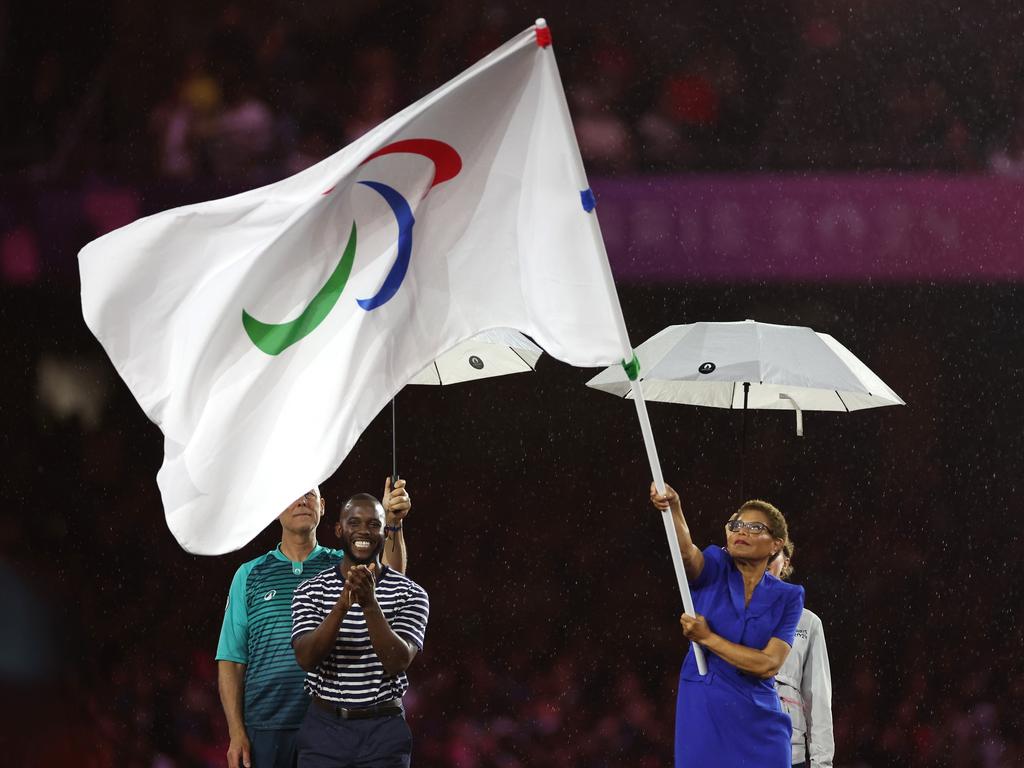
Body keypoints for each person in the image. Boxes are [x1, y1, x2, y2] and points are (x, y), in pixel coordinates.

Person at [217, 478, 412, 768]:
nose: (302, 500)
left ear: (322, 507)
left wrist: (393, 524)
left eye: (310, 494)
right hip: (267, 726)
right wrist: (235, 731)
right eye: (291, 495)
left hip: (333, 725)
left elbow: (390, 578)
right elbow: (232, 660)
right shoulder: (250, 575)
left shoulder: (346, 566)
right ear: (274, 509)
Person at [650, 483, 804, 768]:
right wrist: (674, 508)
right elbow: (686, 554)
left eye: (755, 528)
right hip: (705, 712)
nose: (741, 531)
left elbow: (768, 664)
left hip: (761, 725)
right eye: (736, 524)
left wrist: (708, 638)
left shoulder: (788, 597)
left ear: (776, 544)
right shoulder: (715, 565)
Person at [292, 493, 429, 768]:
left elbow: (397, 661)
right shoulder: (309, 590)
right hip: (325, 728)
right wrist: (342, 605)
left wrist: (369, 603)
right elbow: (306, 658)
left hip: (383, 729)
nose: (364, 531)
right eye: (354, 522)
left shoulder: (411, 594)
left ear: (384, 532)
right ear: (339, 530)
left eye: (373, 524)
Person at [768, 539, 835, 768]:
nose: (765, 562)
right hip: (740, 749)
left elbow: (818, 698)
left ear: (785, 562)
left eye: (772, 556)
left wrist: (822, 764)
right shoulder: (732, 613)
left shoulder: (807, 623)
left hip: (789, 754)